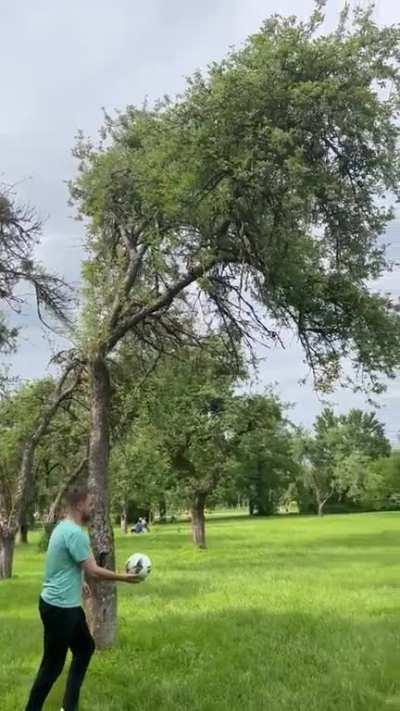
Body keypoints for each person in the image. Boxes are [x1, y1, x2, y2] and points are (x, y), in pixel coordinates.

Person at [25, 485, 139, 711]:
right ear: (79, 505)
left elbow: (64, 564)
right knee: (52, 666)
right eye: (90, 504)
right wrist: (123, 578)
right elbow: (94, 570)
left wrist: (80, 581)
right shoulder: (75, 533)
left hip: (65, 605)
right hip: (60, 609)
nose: (93, 508)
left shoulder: (63, 527)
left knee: (85, 648)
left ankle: (69, 707)